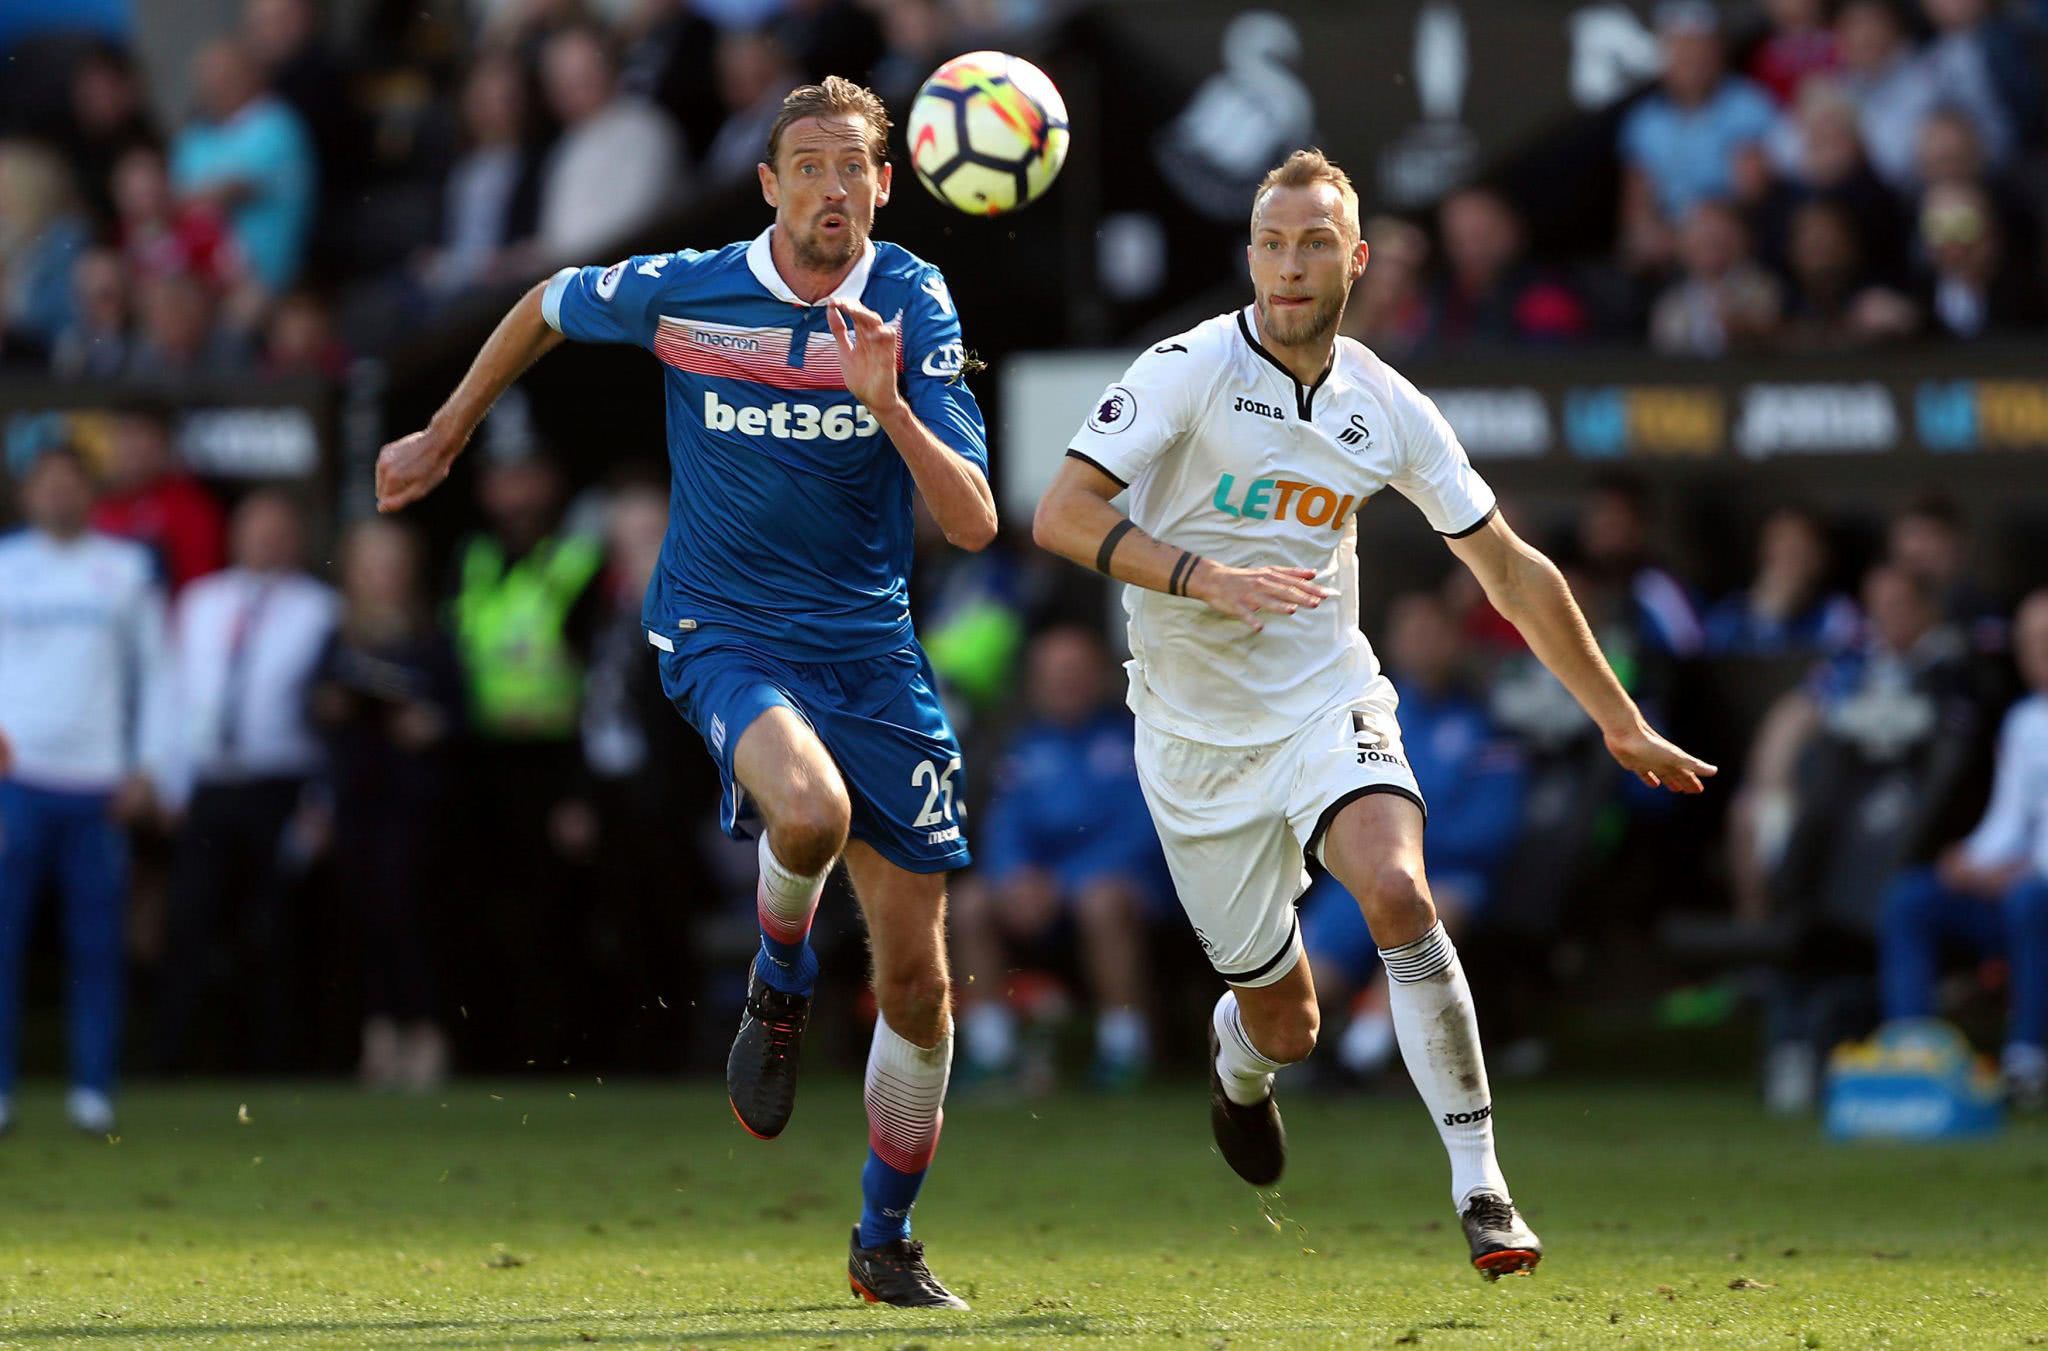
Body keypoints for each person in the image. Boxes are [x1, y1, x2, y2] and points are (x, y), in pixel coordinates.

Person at [1032, 148, 1715, 1279]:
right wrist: (1208, 579)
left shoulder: (1385, 403)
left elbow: (1507, 567)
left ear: (1353, 261)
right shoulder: (1185, 369)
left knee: (1398, 887)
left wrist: (1616, 717)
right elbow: (1060, 514)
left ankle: (1482, 1188)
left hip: (1322, 696)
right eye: (1268, 242)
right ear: (1246, 255)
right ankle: (1238, 1065)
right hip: (1193, 739)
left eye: (1311, 244)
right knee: (1285, 1021)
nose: (1287, 266)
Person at [374, 76, 994, 1309]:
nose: (829, 187)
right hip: (722, 627)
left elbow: (971, 524)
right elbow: (542, 303)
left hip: (872, 653)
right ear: (769, 185)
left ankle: (884, 1239)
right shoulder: (690, 286)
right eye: (805, 165)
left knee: (920, 985)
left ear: (885, 183)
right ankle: (778, 979)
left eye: (850, 167)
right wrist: (446, 433)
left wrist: (889, 408)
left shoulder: (911, 303)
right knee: (806, 815)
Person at [0, 447, 171, 1136]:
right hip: (16, 781)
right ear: (26, 493)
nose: (60, 495)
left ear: (90, 493)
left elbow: (159, 672)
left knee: (97, 943)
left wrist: (149, 767)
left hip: (98, 783)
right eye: (48, 484)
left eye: (72, 484)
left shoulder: (126, 569)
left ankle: (93, 1087)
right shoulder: (6, 563)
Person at [1300, 590, 1526, 1083]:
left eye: (1434, 632)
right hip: (1361, 875)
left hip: (1451, 877)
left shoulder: (1488, 724)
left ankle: (1361, 1057)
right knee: (1313, 983)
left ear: (1456, 642)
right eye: (1411, 631)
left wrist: (1409, 848)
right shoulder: (1357, 720)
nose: (1422, 644)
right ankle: (1261, 1069)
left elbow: (1495, 826)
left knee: (1427, 910)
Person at [153, 490, 339, 1074]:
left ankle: (274, 1063)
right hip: (209, 785)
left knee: (275, 931)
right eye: (255, 527)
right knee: (189, 923)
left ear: (298, 538)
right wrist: (170, 781)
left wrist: (321, 804)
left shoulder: (323, 609)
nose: (265, 539)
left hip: (281, 782)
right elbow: (175, 694)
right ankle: (171, 1062)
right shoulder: (201, 601)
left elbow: (335, 720)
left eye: (278, 528)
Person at [952, 625, 1170, 1089]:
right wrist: (1014, 877)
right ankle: (992, 1050)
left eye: (1074, 672)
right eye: (1052, 674)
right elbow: (1004, 825)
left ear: (1100, 677)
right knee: (969, 902)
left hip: (1127, 887)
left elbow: (1143, 831)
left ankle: (1124, 1050)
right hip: (1041, 891)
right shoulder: (1024, 747)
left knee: (1101, 901)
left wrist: (1062, 882)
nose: (1063, 684)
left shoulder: (1137, 740)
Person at [308, 518, 462, 1091]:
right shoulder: (338, 638)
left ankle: (426, 1034)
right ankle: (378, 1036)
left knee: (409, 916)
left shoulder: (432, 637)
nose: (381, 578)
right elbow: (314, 710)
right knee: (365, 916)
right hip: (357, 800)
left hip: (412, 805)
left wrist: (431, 726)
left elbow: (460, 714)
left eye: (391, 566)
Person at [1879, 589, 2048, 1106]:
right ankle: (1912, 1053)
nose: (2034, 654)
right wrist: (1970, 860)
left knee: (2029, 900)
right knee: (1912, 897)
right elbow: (2008, 822)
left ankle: (2027, 1060)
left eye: (2044, 641)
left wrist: (2017, 873)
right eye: (2027, 642)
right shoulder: (2026, 721)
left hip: (2036, 896)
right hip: (2018, 890)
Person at [169, 37, 315, 295]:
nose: (217, 86)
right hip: (197, 280)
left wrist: (183, 197)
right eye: (209, 78)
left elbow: (229, 189)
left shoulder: (276, 124)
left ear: (251, 75)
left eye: (226, 76)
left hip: (265, 281)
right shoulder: (194, 136)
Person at [86, 401, 227, 594]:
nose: (132, 448)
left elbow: (200, 592)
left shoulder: (190, 508)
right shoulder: (93, 504)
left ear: (165, 444)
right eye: (125, 435)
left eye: (143, 436)